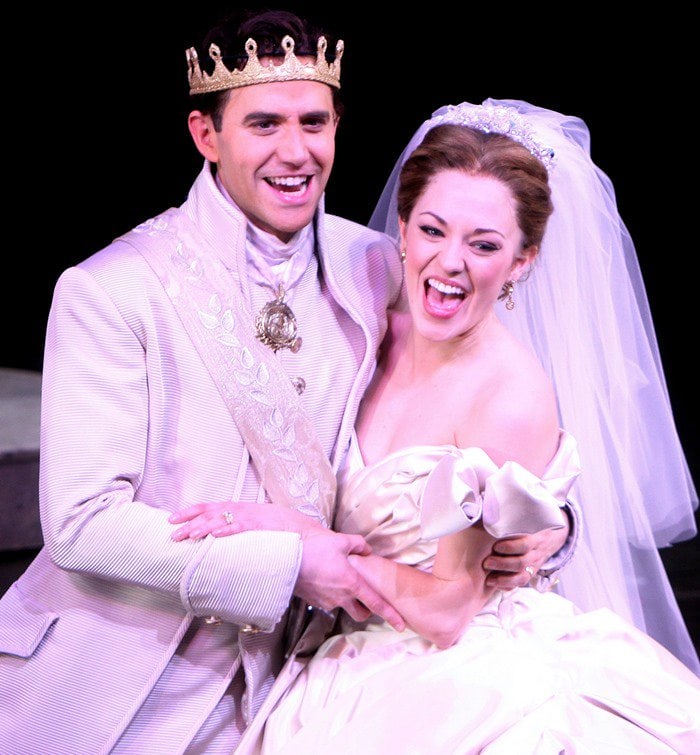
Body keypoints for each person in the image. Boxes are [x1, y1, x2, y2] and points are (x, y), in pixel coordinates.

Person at [0, 12, 573, 754]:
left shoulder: (380, 264)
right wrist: (293, 561)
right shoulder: (111, 290)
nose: (295, 151)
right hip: (124, 673)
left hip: (295, 683)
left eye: (314, 122)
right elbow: (81, 523)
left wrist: (542, 526)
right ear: (208, 136)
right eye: (264, 123)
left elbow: (477, 397)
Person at [222, 100, 696, 752]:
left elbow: (447, 611)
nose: (450, 261)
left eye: (484, 245)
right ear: (403, 228)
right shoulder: (358, 319)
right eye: (433, 230)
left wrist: (307, 544)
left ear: (523, 261)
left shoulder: (508, 397)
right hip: (315, 649)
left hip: (451, 669)